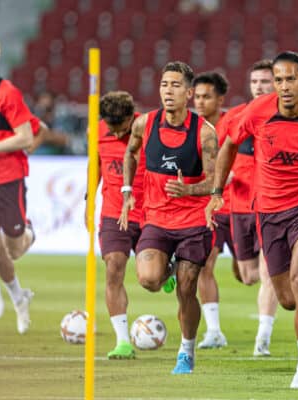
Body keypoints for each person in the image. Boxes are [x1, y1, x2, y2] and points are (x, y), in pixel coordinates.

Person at [206, 51, 298, 389]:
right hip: (269, 212)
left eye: (290, 79)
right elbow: (229, 146)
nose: (284, 87)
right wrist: (217, 190)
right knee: (287, 298)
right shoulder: (258, 110)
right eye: (279, 80)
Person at [120, 61, 219, 374]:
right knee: (149, 279)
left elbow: (216, 183)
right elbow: (130, 153)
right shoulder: (144, 124)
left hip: (193, 223)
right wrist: (126, 190)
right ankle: (169, 269)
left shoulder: (204, 133)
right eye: (165, 84)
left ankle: (186, 351)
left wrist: (189, 190)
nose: (168, 90)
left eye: (176, 85)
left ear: (189, 93)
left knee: (187, 289)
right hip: (157, 220)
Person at [218, 59, 280, 356]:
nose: (259, 87)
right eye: (255, 82)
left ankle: (262, 339)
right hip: (239, 206)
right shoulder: (235, 117)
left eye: (265, 82)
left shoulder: (285, 117)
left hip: (271, 206)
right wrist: (219, 177)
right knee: (249, 276)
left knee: (269, 274)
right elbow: (215, 153)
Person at [87, 91, 144, 359]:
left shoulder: (148, 129)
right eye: (110, 127)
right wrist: (89, 200)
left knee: (151, 279)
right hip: (113, 212)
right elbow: (95, 165)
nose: (115, 132)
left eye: (119, 127)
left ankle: (166, 270)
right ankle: (123, 341)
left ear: (131, 118)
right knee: (113, 268)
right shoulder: (98, 131)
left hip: (149, 213)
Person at [191, 71, 235, 349]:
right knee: (204, 266)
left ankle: (243, 262)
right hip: (212, 209)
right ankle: (214, 331)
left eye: (206, 96)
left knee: (250, 275)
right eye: (196, 96)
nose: (200, 102)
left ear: (220, 99)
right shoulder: (190, 127)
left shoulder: (236, 123)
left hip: (243, 206)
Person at [0, 39, 36, 334]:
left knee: (12, 247)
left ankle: (27, 232)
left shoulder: (7, 94)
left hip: (7, 177)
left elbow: (25, 137)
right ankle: (12, 297)